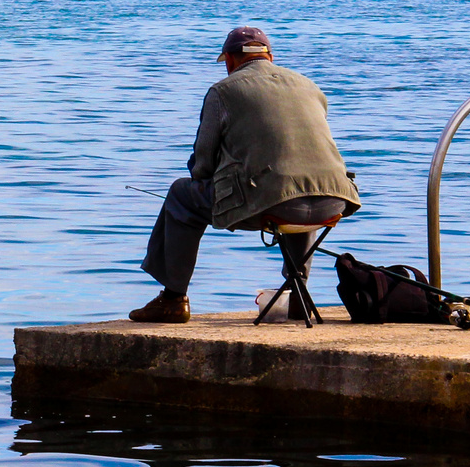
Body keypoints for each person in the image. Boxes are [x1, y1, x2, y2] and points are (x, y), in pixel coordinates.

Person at [130, 26, 360, 324]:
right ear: (270, 57)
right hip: (335, 201)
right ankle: (298, 292)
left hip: (275, 205)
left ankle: (173, 299)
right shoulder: (309, 86)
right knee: (302, 184)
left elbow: (202, 166)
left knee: (181, 194)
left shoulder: (222, 91)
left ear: (229, 60)